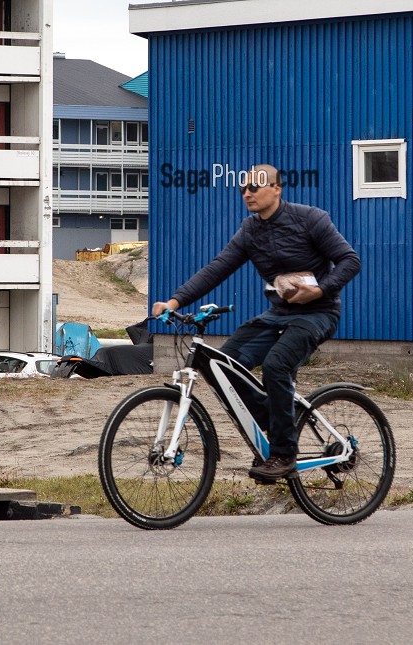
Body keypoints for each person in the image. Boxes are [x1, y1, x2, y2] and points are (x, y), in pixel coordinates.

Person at [152, 164, 361, 482]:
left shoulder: (310, 219)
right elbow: (217, 268)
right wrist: (174, 302)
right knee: (223, 365)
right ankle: (276, 417)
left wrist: (319, 289)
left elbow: (350, 260)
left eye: (255, 186)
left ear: (277, 188)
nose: (247, 193)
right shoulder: (250, 231)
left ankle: (282, 453)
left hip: (318, 314)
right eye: (242, 189)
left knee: (276, 365)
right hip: (277, 315)